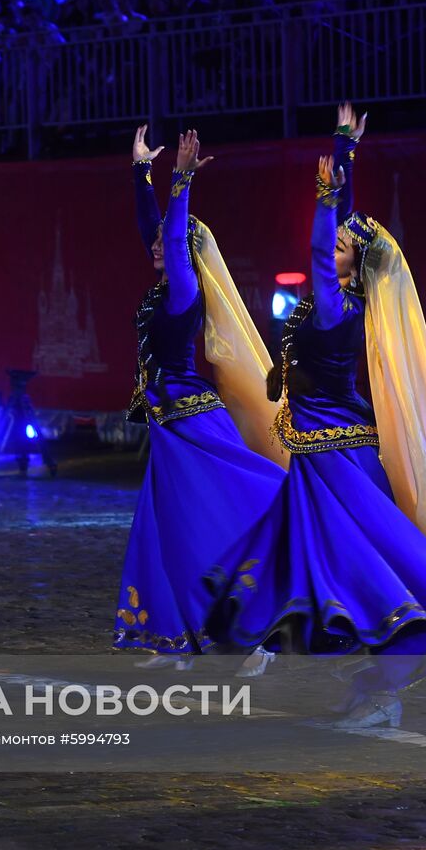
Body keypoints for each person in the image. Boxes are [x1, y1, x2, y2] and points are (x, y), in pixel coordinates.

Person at [205, 112, 426, 727]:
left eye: (344, 246)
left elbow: (325, 248)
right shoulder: (341, 301)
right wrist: (343, 152)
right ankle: (287, 653)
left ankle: (385, 684)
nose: (331, 247)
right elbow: (338, 245)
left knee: (375, 567)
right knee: (299, 559)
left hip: (337, 460)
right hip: (320, 453)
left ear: (354, 263)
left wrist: (328, 191)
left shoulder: (337, 307)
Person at [115, 127, 288, 670]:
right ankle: (176, 638)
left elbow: (166, 237)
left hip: (193, 424)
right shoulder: (165, 284)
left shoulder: (186, 290)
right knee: (165, 528)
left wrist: (182, 180)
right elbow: (154, 231)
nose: (156, 244)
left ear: (186, 252)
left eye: (167, 240)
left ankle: (257, 634)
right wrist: (142, 171)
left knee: (212, 522)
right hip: (170, 424)